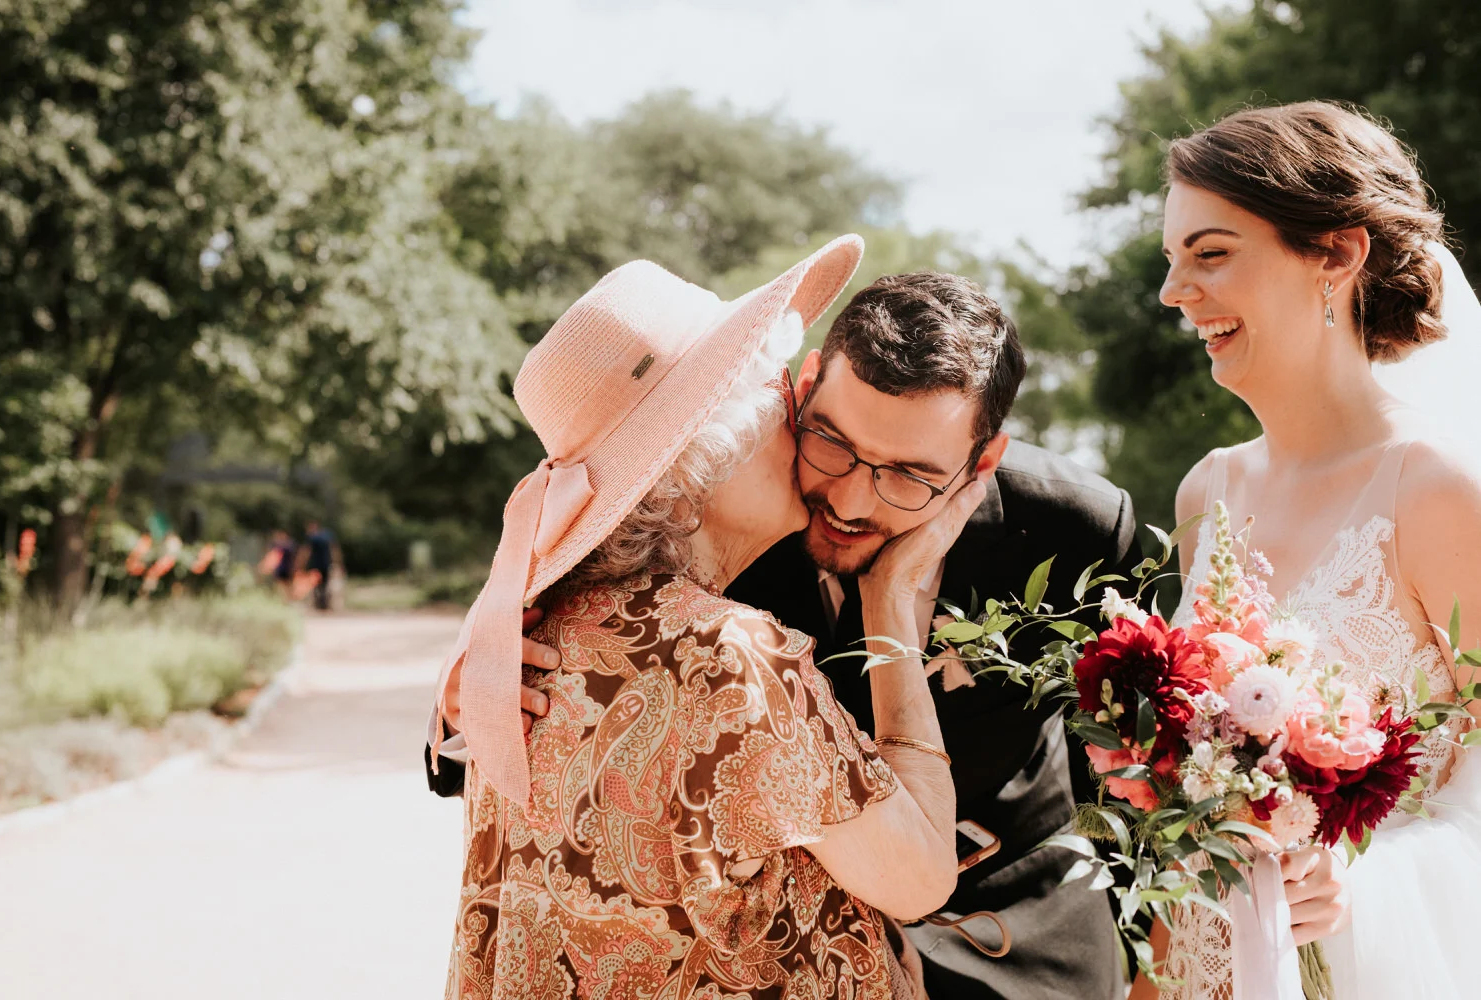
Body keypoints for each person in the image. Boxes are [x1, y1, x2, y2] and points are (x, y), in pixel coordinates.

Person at [431, 271, 1144, 999]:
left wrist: (1160, 968)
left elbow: (1135, 772)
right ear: (799, 392)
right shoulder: (720, 569)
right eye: (829, 440)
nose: (850, 500)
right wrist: (470, 701)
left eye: (909, 475)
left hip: (1024, 944)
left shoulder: (1075, 528)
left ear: (981, 463)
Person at [1150, 101, 1481, 999]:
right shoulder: (1208, 492)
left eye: (1210, 253)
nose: (1174, 291)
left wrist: (1363, 886)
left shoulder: (1435, 491)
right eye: (1172, 259)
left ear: (1336, 254)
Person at [299, 520, 339, 611]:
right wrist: (336, 562)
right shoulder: (328, 536)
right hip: (326, 564)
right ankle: (324, 603)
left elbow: (307, 551)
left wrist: (302, 563)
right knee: (325, 584)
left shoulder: (312, 538)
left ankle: (318, 603)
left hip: (315, 565)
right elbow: (334, 550)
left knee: (315, 584)